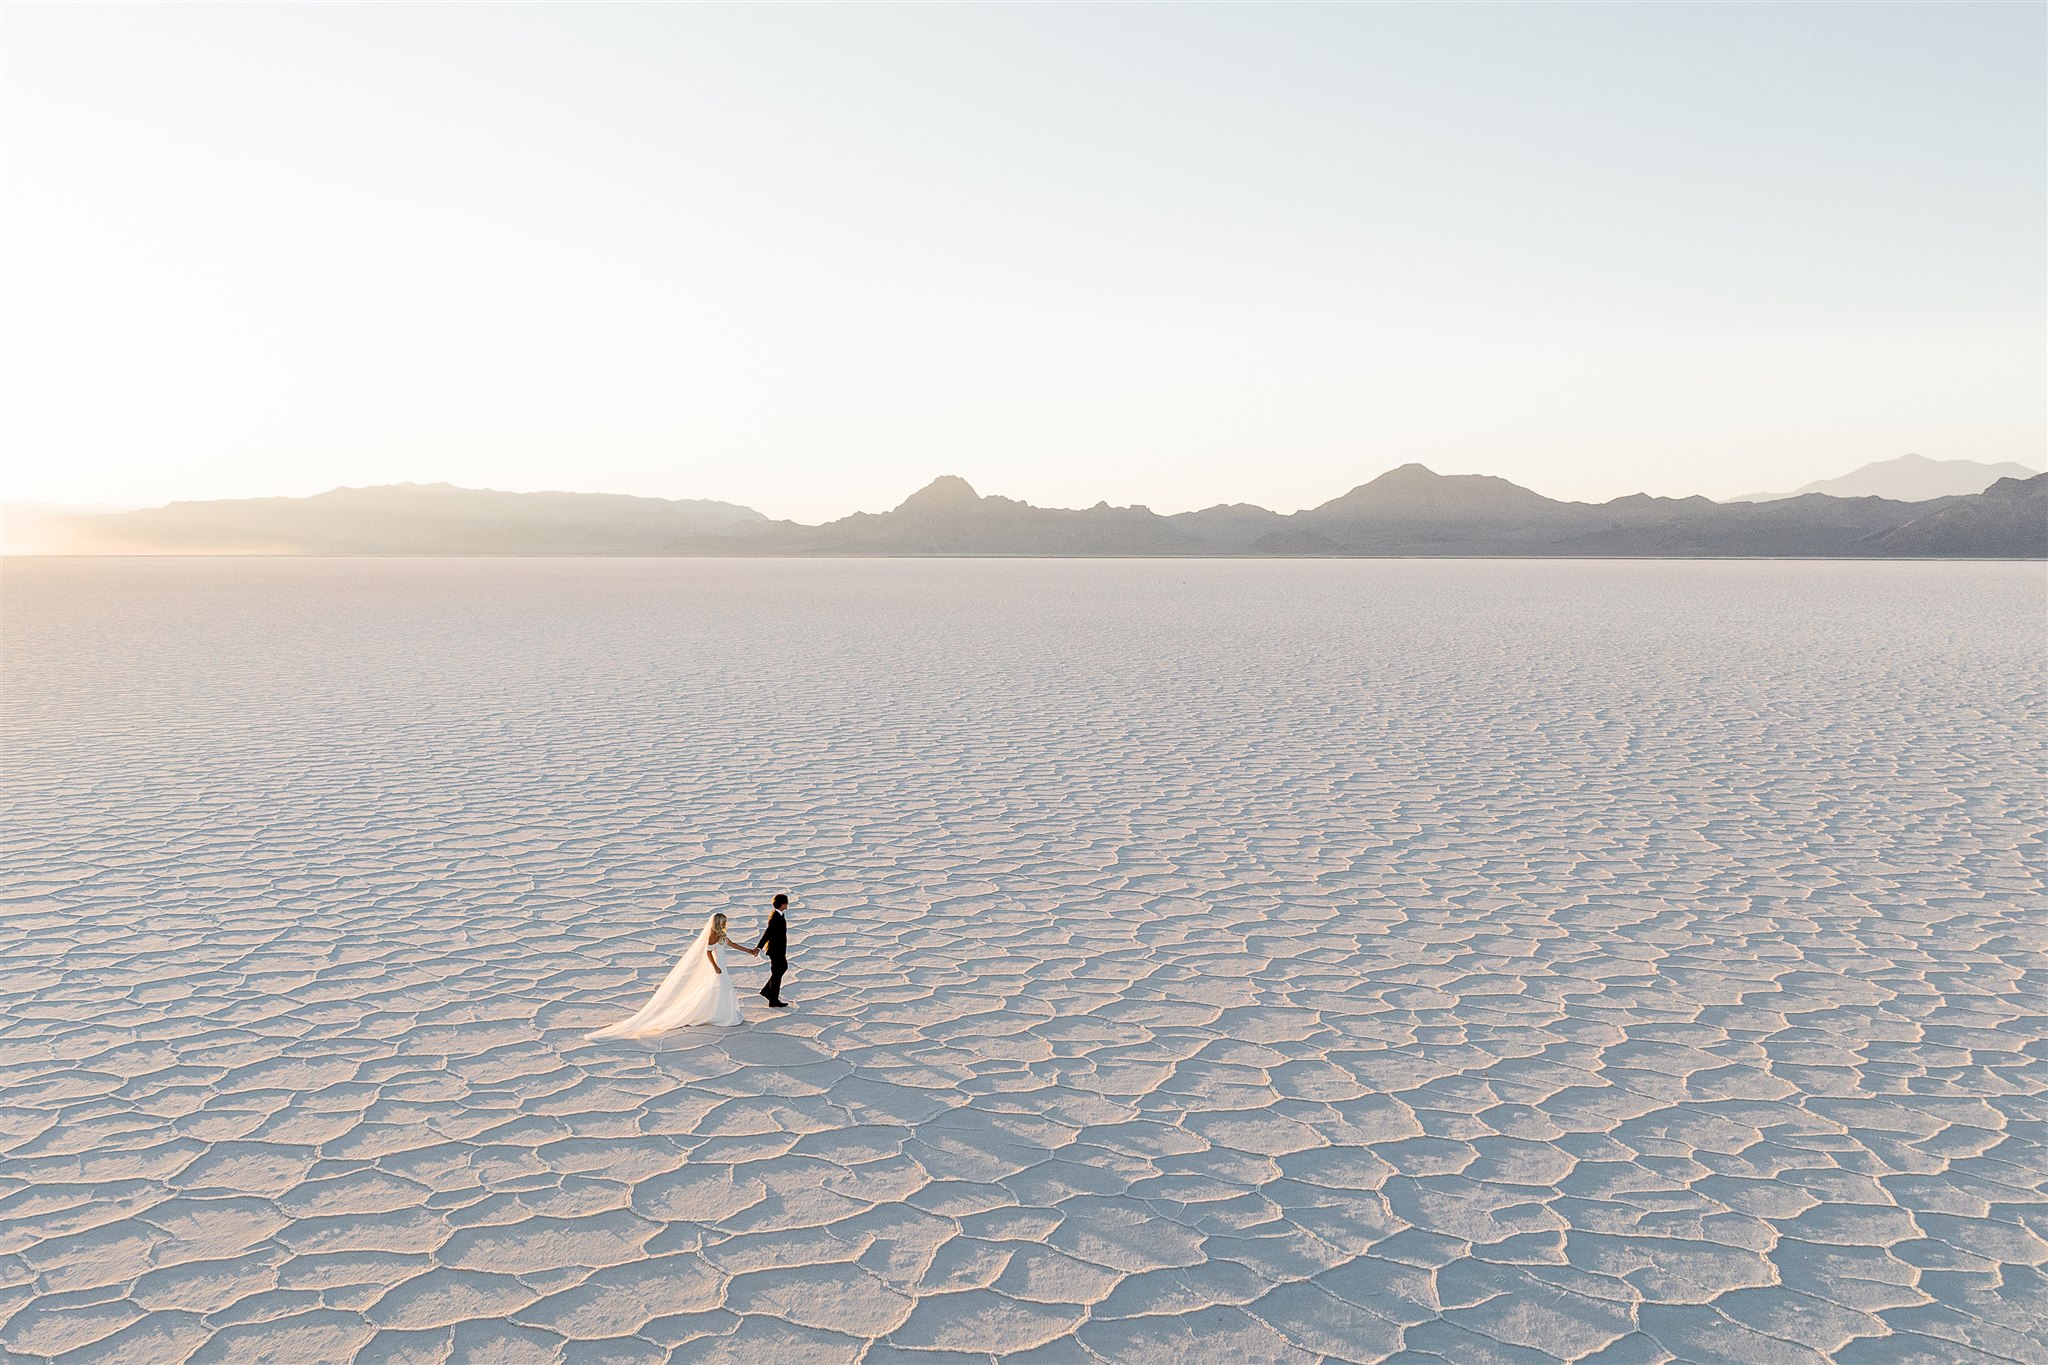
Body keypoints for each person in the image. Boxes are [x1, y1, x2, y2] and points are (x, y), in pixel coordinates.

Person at [587, 911, 759, 1037]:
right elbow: (707, 953)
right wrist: (715, 966)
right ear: (718, 922)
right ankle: (719, 1015)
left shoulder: (721, 935)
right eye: (724, 921)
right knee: (720, 987)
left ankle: (722, 1013)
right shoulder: (712, 936)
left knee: (722, 988)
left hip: (722, 965)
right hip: (718, 966)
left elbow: (732, 944)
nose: (725, 923)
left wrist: (749, 951)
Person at [755, 894, 791, 1008]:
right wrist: (759, 947)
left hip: (779, 949)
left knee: (781, 969)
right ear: (782, 904)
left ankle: (767, 991)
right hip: (776, 950)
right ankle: (773, 999)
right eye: (786, 902)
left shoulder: (779, 914)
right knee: (777, 972)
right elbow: (768, 933)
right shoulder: (775, 917)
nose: (787, 904)